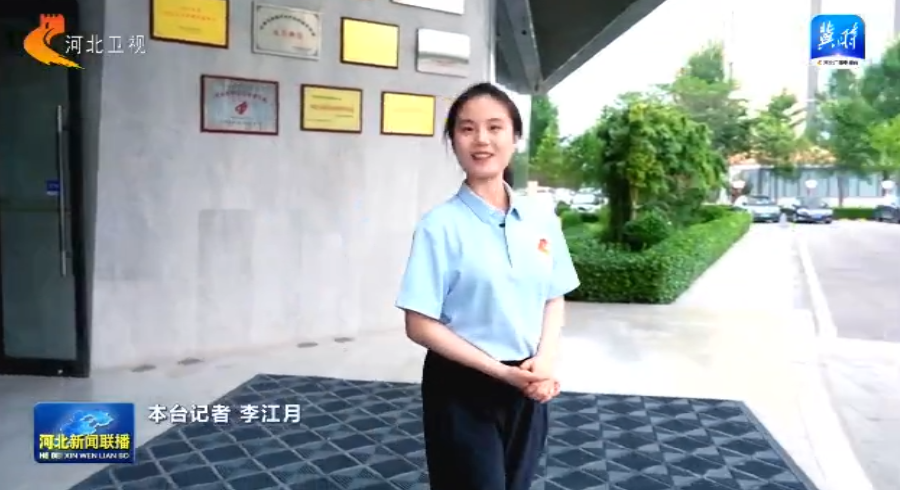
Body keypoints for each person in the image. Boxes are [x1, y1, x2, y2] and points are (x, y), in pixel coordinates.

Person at [395, 82, 580, 490]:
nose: (481, 139)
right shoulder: (439, 226)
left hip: (527, 383)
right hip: (461, 386)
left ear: (515, 137)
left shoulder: (540, 219)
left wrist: (545, 360)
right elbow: (419, 324)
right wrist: (500, 372)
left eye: (495, 127)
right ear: (453, 141)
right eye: (467, 129)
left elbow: (553, 295)